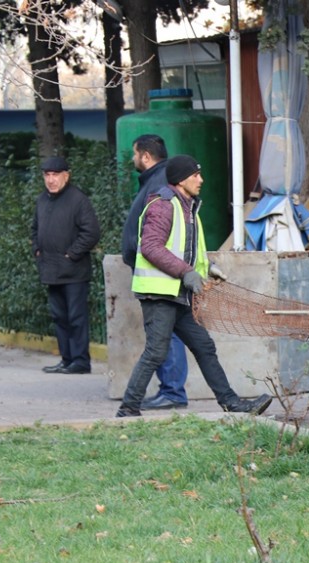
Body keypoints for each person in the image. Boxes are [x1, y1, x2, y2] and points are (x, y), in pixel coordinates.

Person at [116, 154, 272, 418]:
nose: (201, 180)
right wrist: (187, 273)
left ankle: (231, 403)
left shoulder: (188, 208)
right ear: (180, 180)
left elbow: (187, 251)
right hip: (159, 293)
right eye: (195, 175)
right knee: (156, 352)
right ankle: (128, 408)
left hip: (178, 294)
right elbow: (151, 247)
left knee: (204, 347)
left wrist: (207, 268)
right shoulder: (163, 205)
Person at [121, 134, 189, 410]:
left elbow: (157, 235)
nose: (132, 159)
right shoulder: (157, 180)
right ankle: (172, 391)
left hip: (161, 274)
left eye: (135, 154)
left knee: (166, 335)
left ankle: (172, 392)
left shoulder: (160, 183)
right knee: (171, 334)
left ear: (145, 156)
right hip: (160, 271)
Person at [31, 156, 101, 375]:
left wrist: (72, 254)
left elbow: (91, 232)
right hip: (50, 268)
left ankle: (80, 361)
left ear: (66, 175)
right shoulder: (42, 200)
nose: (51, 180)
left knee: (76, 317)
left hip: (74, 271)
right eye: (47, 175)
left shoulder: (78, 199)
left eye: (55, 175)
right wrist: (37, 249)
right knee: (59, 317)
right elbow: (35, 229)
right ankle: (66, 358)